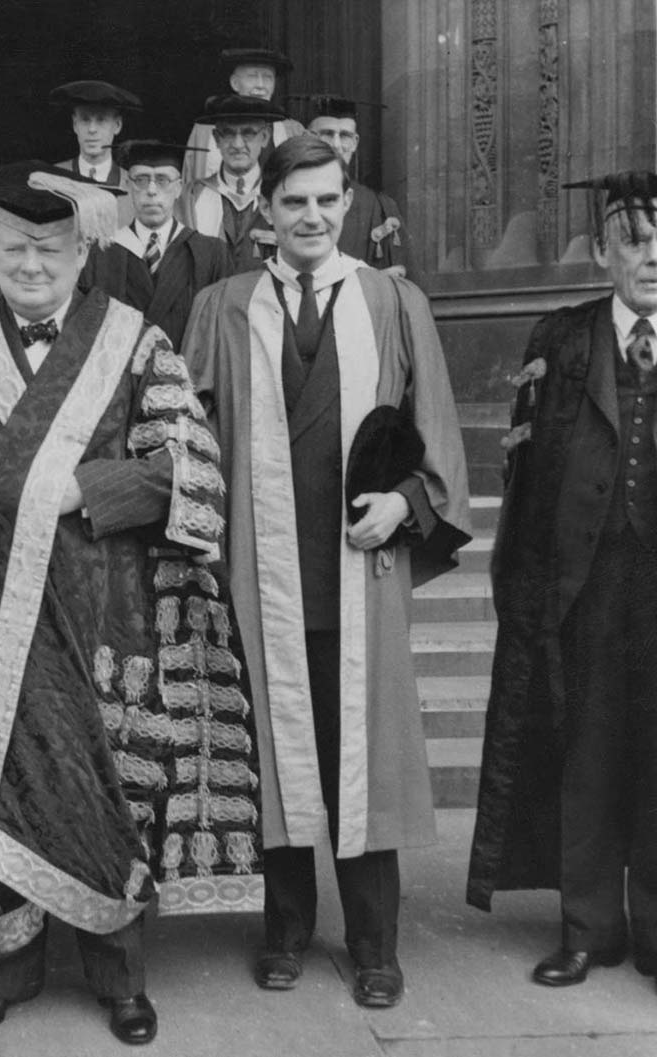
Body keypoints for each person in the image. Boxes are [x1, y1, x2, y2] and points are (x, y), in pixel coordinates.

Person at [0, 161, 256, 1045]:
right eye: (13, 246)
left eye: (49, 247)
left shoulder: (136, 342)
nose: (30, 263)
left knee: (104, 779)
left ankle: (119, 973)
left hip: (104, 613)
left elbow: (189, 466)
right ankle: (10, 962)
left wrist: (80, 487)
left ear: (82, 253)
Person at [181, 135, 471, 1009]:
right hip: (257, 567)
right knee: (271, 749)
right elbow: (180, 430)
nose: (311, 216)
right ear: (265, 209)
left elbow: (438, 432)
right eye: (294, 201)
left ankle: (376, 942)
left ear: (349, 204)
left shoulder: (391, 299)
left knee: (361, 752)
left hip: (359, 568)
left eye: (326, 200)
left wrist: (406, 507)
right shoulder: (221, 305)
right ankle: (285, 927)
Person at [467, 171, 657, 993]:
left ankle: (653, 931)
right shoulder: (564, 335)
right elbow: (526, 475)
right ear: (606, 252)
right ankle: (588, 928)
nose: (652, 257)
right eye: (636, 241)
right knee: (588, 749)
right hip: (586, 584)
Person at [80, 140, 230, 349]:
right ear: (127, 186)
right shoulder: (100, 253)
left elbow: (220, 336)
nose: (151, 190)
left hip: (188, 377)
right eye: (141, 180)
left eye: (162, 180)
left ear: (178, 188)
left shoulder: (211, 253)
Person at [307, 96, 412, 274]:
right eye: (327, 134)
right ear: (308, 138)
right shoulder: (289, 201)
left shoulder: (380, 207)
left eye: (345, 136)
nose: (337, 145)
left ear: (355, 142)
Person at [182, 94, 286, 272]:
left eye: (248, 133)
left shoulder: (282, 195)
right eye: (228, 133)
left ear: (265, 137)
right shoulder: (191, 198)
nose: (238, 144)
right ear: (216, 138)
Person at [183, 48, 305, 187]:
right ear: (235, 83)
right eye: (252, 76)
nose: (261, 85)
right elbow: (190, 186)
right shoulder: (205, 129)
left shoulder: (293, 130)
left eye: (267, 78)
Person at [50, 80, 140, 227]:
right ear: (75, 124)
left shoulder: (133, 187)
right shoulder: (53, 179)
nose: (92, 129)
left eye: (101, 120)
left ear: (117, 125)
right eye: (85, 120)